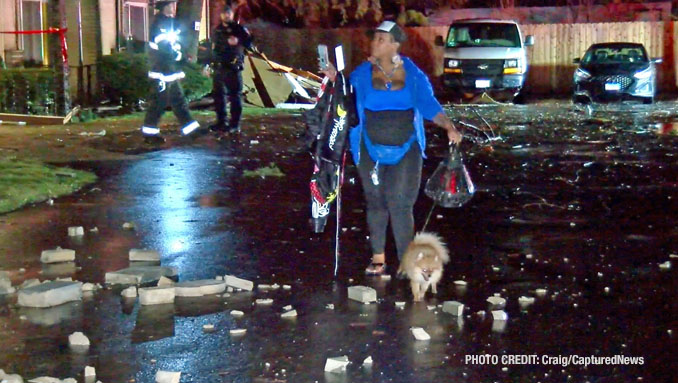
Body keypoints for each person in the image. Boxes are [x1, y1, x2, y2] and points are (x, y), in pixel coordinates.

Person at [322, 21, 462, 275]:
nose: (374, 43)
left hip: (406, 147)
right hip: (369, 148)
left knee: (400, 204)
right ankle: (378, 259)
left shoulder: (414, 75)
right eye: (374, 39)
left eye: (381, 39)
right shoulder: (362, 73)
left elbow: (429, 105)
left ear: (396, 44)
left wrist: (448, 126)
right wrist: (336, 79)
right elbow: (346, 98)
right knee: (375, 202)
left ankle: (407, 262)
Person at [141, 0, 202, 143]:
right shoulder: (159, 24)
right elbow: (165, 47)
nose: (173, 7)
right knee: (159, 102)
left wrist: (181, 56)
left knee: (178, 100)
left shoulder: (168, 23)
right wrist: (180, 57)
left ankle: (191, 129)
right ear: (164, 7)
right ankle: (149, 133)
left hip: (169, 70)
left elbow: (175, 43)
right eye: (171, 5)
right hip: (162, 71)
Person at [209, 5, 255, 134]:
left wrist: (239, 40)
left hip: (233, 67)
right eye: (224, 13)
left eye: (229, 13)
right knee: (219, 96)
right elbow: (213, 49)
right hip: (219, 66)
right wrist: (209, 63)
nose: (226, 16)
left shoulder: (239, 29)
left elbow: (250, 44)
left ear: (232, 14)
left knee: (235, 96)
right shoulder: (217, 30)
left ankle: (235, 124)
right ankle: (221, 122)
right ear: (221, 15)